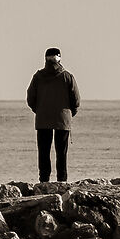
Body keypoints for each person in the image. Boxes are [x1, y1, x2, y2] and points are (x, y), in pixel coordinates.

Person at [26, 47, 79, 183]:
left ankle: (44, 180)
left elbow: (30, 98)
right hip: (63, 119)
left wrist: (39, 110)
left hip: (43, 119)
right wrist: (71, 112)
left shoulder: (38, 77)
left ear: (45, 59)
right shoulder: (67, 76)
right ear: (59, 58)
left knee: (43, 152)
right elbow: (76, 99)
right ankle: (62, 180)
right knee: (61, 153)